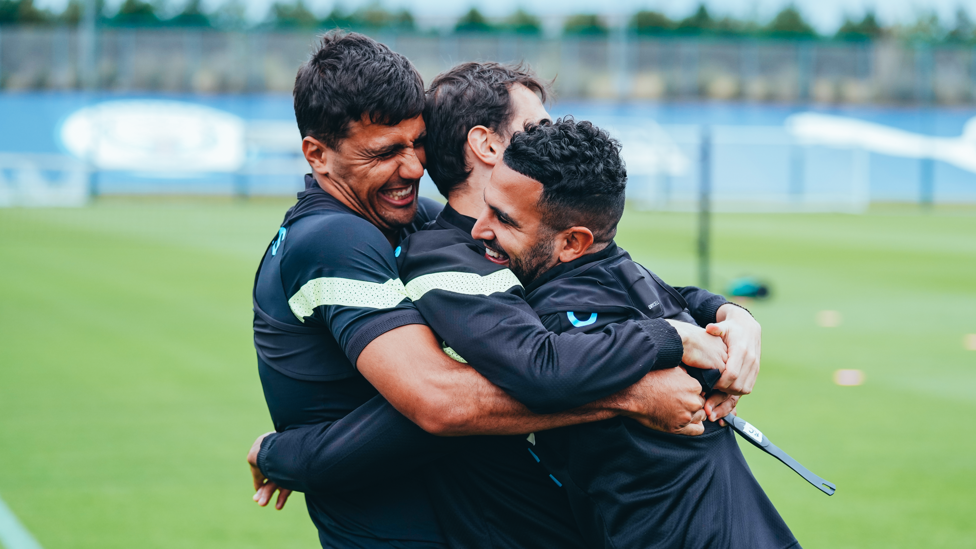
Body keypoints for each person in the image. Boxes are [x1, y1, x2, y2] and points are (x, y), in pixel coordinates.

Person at [249, 34, 739, 548]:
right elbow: (438, 401)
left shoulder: (417, 221)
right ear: (317, 154)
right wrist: (629, 394)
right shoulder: (335, 237)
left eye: (416, 142)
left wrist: (726, 312)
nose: (414, 168)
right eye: (384, 152)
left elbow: (597, 286)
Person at [465, 117, 799, 548]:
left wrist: (681, 333)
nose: (478, 229)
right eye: (486, 205)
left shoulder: (561, 313)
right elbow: (674, 299)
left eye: (505, 220)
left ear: (572, 244)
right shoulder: (623, 273)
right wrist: (728, 312)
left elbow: (547, 372)